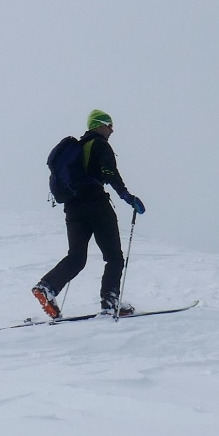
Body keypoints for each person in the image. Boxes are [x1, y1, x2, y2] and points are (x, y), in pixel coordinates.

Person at [34, 110, 146, 319]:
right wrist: (127, 197)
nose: (112, 130)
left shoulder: (77, 148)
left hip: (73, 208)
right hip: (96, 204)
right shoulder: (99, 144)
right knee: (114, 257)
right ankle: (109, 303)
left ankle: (47, 287)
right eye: (109, 125)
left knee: (76, 257)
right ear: (98, 125)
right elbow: (110, 173)